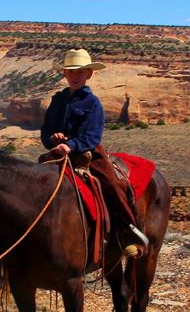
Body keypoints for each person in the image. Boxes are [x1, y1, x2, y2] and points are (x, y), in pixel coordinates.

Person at [40, 48, 149, 257]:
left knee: (113, 184)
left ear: (89, 74)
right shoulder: (57, 100)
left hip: (87, 155)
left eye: (80, 72)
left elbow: (93, 136)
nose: (74, 76)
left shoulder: (93, 103)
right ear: (64, 73)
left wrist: (70, 145)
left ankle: (127, 230)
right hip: (57, 154)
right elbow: (45, 131)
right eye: (71, 71)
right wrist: (53, 140)